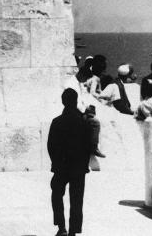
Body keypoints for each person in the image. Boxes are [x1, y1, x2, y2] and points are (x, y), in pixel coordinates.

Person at [48, 88, 93, 236]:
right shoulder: (84, 122)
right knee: (76, 199)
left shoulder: (57, 122)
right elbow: (89, 146)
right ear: (75, 101)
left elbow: (51, 145)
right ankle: (74, 230)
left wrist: (55, 163)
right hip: (79, 167)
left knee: (56, 193)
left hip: (61, 166)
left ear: (63, 102)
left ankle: (61, 227)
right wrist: (84, 164)